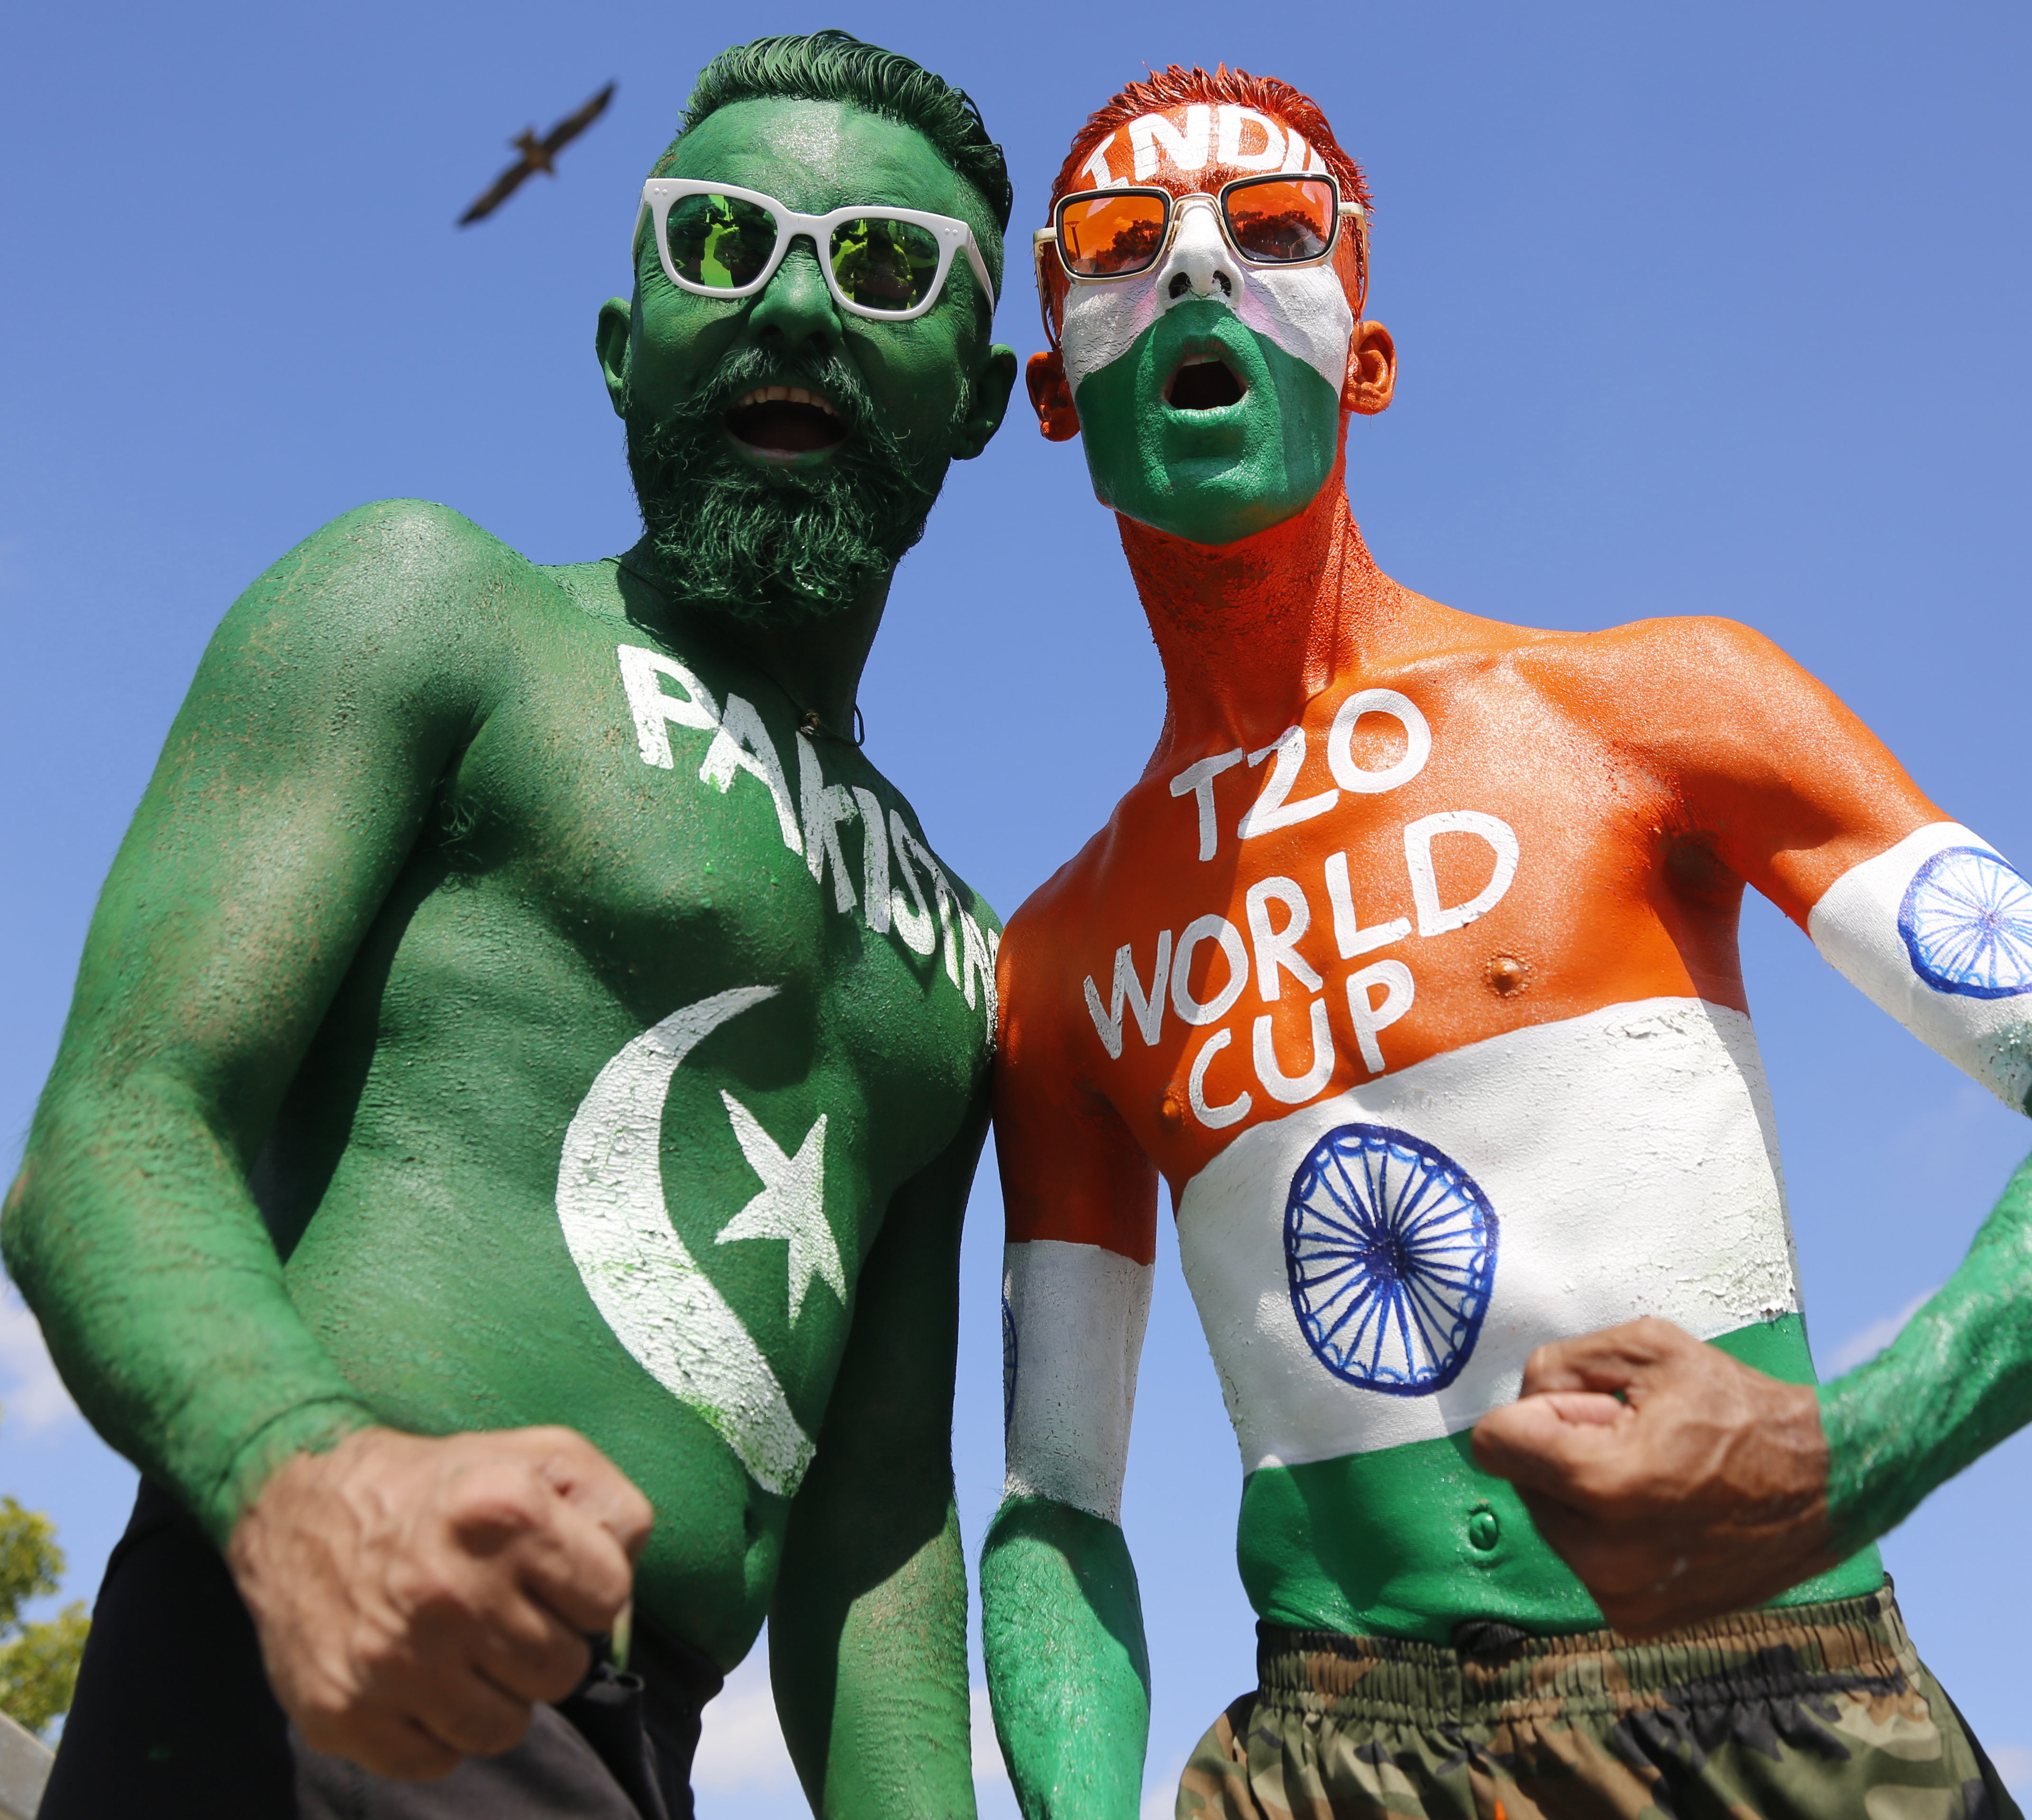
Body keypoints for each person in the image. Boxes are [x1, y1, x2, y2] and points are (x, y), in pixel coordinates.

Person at [983, 61, 2029, 1820]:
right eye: (1116, 240)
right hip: (1323, 1750)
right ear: (1055, 392)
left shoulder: (1667, 707)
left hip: (1767, 1690)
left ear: (1365, 359)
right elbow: (1059, 1510)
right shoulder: (1059, 966)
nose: (1193, 275)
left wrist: (1845, 1448)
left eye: (1271, 229)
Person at [5, 29, 1016, 1820]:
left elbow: (879, 1541)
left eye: (881, 265)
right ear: (623, 346)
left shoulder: (964, 949)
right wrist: (299, 1483)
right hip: (299, 1656)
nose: (795, 307)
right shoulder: (433, 610)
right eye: (719, 242)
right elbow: (112, 1137)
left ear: (983, 394)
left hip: (644, 1756)